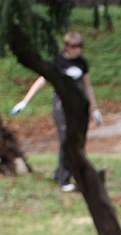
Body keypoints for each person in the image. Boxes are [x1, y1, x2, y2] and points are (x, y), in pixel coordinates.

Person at [10, 31, 102, 192]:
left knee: (78, 141)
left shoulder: (82, 63)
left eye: (80, 46)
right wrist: (25, 101)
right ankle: (63, 179)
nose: (78, 50)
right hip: (61, 105)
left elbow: (87, 86)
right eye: (75, 46)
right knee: (66, 139)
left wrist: (95, 109)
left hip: (79, 105)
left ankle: (65, 174)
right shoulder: (58, 62)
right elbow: (41, 81)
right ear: (67, 46)